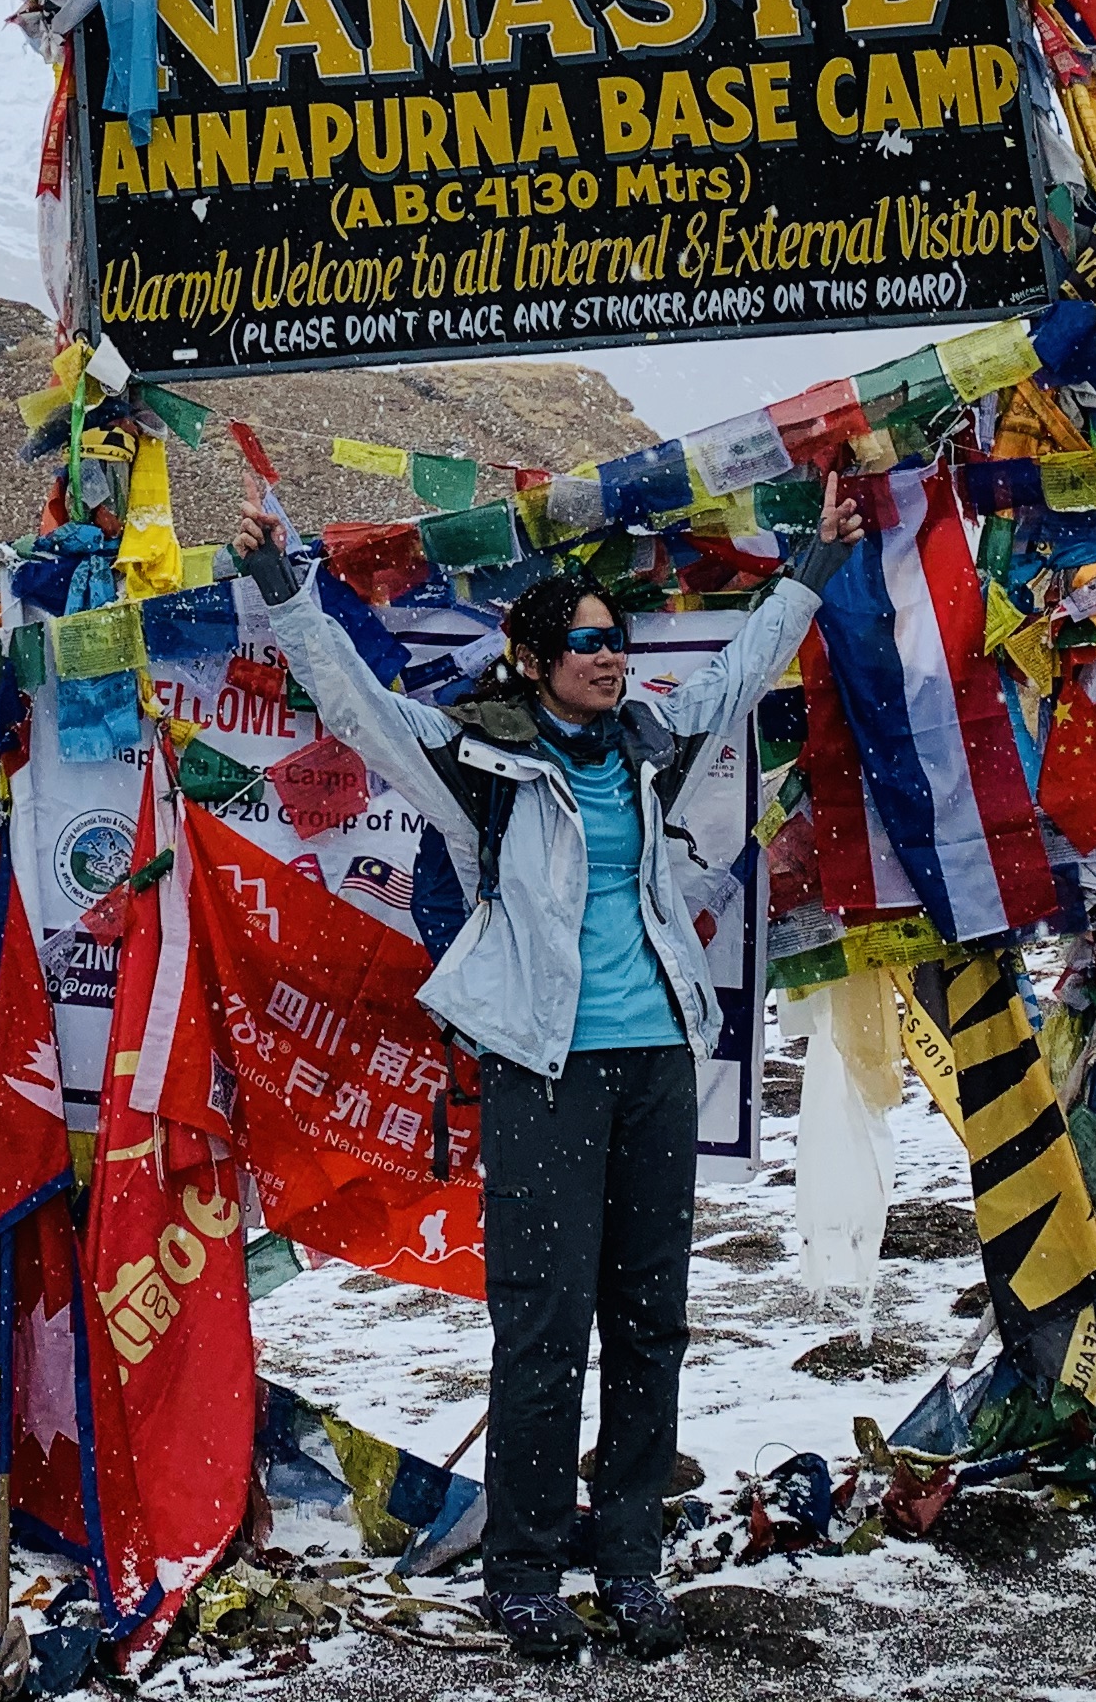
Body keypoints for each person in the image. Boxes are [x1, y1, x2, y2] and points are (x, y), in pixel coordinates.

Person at [224, 482, 866, 1663]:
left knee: (649, 1321)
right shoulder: (474, 756)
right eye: (585, 642)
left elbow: (732, 681)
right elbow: (355, 706)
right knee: (542, 1326)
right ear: (529, 660)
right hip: (546, 1070)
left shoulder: (646, 743)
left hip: (657, 1065)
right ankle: (521, 1570)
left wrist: (814, 568)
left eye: (617, 641)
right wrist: (281, 590)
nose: (610, 658)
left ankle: (627, 1559)